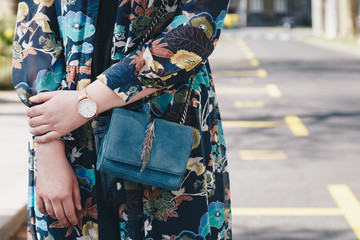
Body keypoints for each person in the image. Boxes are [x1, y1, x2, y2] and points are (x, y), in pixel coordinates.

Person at [12, 0, 232, 239]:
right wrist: (48, 148)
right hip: (66, 137)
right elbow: (33, 31)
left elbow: (198, 27)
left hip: (166, 130)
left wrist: (86, 102)